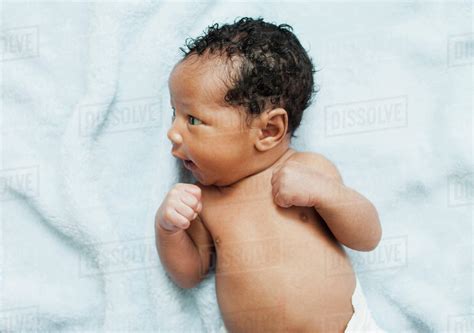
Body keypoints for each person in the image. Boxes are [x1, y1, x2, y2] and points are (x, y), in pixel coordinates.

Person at [155, 17, 384, 332]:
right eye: (173, 114)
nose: (172, 133)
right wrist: (169, 230)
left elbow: (367, 237)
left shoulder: (309, 171)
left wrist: (328, 194)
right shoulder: (204, 201)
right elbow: (188, 274)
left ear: (269, 130)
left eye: (192, 119)